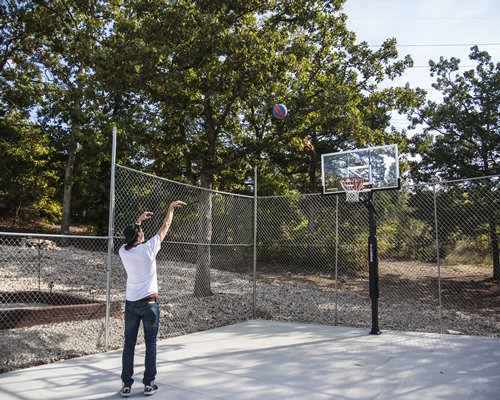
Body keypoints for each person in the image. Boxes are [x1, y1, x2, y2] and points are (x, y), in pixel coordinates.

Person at [118, 201, 187, 398]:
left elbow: (130, 236)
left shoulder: (124, 251)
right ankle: (148, 384)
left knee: (129, 344)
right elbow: (165, 227)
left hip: (131, 304)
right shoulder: (148, 248)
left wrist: (137, 222)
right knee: (151, 343)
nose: (142, 233)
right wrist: (170, 209)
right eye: (140, 231)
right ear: (139, 237)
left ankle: (126, 386)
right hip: (149, 304)